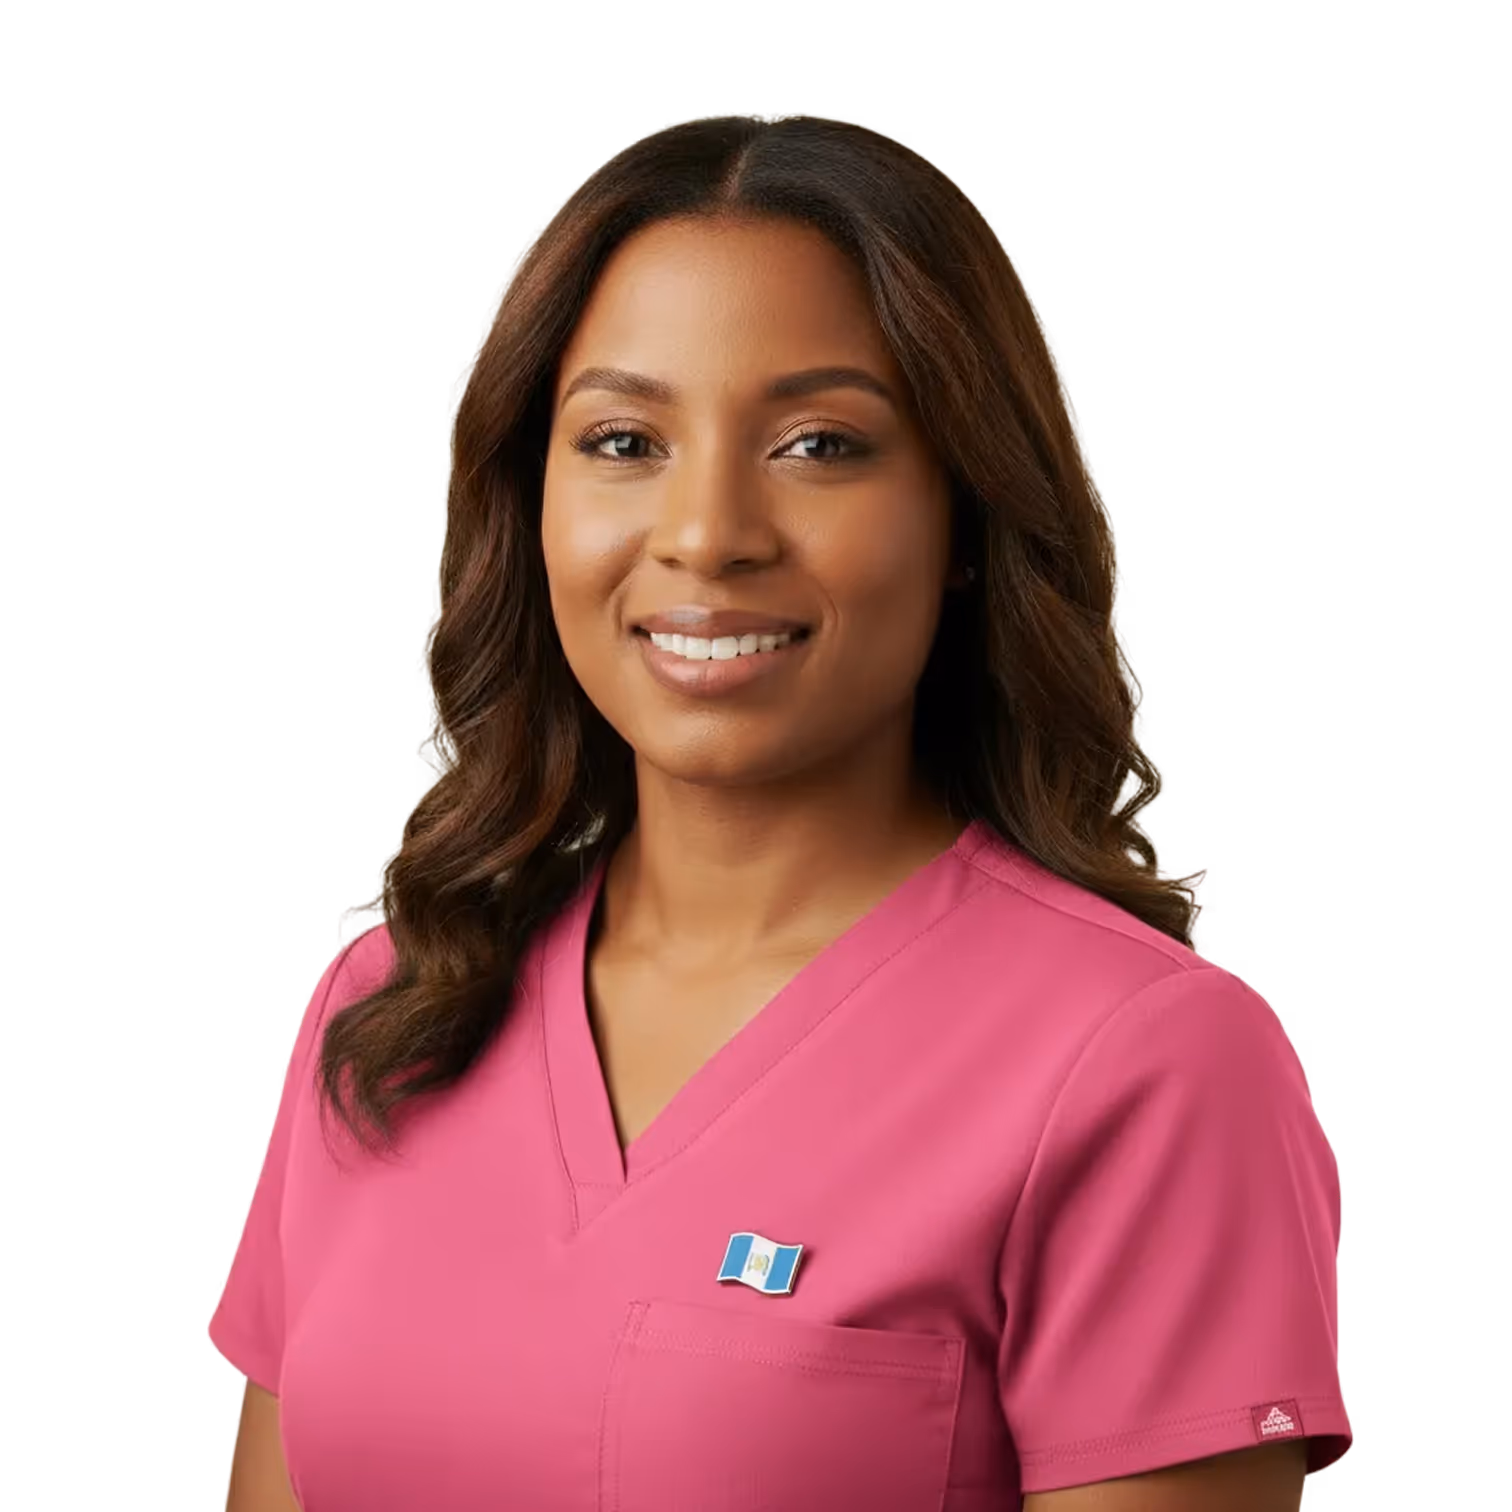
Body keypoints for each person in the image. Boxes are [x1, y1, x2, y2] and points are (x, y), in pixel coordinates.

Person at [212, 113, 1349, 1511]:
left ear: (971, 518)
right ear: (530, 503)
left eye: (820, 444)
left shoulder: (1147, 1066)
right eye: (624, 438)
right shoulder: (384, 1006)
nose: (706, 532)